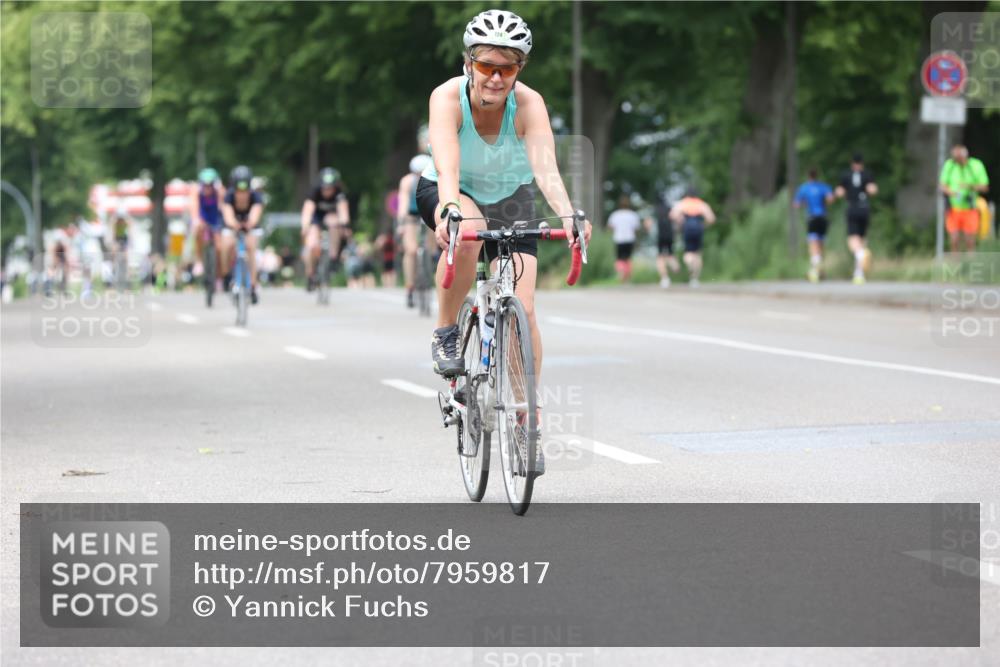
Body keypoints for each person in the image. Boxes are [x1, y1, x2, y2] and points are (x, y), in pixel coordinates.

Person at [416, 9, 592, 472]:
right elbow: (448, 164)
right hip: (453, 189)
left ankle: (525, 417)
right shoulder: (446, 97)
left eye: (507, 68)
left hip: (511, 197)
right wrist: (449, 209)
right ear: (468, 63)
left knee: (525, 308)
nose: (495, 78)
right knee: (468, 233)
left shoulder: (529, 104)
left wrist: (569, 214)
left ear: (519, 69)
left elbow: (546, 169)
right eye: (486, 66)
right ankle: (446, 330)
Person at [301, 167, 351, 291]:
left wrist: (345, 226)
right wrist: (305, 227)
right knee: (312, 244)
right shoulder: (314, 192)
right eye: (325, 188)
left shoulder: (340, 194)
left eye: (330, 188)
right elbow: (307, 211)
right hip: (316, 218)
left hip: (331, 217)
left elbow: (343, 213)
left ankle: (333, 257)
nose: (327, 190)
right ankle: (310, 274)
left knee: (335, 224)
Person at [222, 165, 265, 304]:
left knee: (251, 247)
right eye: (238, 190)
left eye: (245, 189)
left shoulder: (256, 197)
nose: (242, 193)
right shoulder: (228, 196)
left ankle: (253, 284)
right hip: (233, 225)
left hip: (249, 225)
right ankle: (227, 275)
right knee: (227, 245)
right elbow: (228, 215)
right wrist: (234, 225)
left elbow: (255, 214)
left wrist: (249, 224)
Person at [834, 153, 877, 285]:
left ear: (852, 163)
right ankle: (859, 273)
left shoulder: (846, 175)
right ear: (862, 163)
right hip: (864, 208)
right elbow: (873, 190)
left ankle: (861, 255)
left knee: (853, 240)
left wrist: (846, 192)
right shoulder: (867, 175)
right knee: (862, 240)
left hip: (852, 208)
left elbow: (839, 192)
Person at [398, 154, 434, 306]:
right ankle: (410, 285)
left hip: (428, 211)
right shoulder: (407, 182)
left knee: (431, 248)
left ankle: (429, 269)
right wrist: (401, 223)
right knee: (411, 250)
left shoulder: (433, 178)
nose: (420, 176)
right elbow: (403, 203)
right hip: (411, 215)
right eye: (417, 174)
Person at [940, 144, 989, 253]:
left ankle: (970, 261)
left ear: (965, 157)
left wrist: (969, 186)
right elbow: (942, 186)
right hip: (953, 209)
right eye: (955, 159)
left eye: (959, 159)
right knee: (954, 240)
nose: (957, 162)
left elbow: (985, 187)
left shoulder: (976, 165)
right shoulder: (950, 165)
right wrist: (952, 193)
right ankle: (955, 262)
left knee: (969, 240)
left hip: (970, 208)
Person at [794, 168, 835, 283]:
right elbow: (831, 199)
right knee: (820, 245)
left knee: (813, 245)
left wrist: (806, 203)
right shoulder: (823, 187)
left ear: (808, 176)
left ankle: (814, 271)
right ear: (817, 176)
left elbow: (796, 204)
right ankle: (820, 270)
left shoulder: (804, 188)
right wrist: (823, 203)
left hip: (812, 218)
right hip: (823, 217)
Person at [669, 187, 715, 287]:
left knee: (688, 252)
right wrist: (704, 225)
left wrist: (680, 223)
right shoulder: (701, 204)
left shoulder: (683, 203)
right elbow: (711, 218)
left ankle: (690, 263)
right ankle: (695, 279)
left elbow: (672, 215)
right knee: (697, 253)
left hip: (687, 230)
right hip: (698, 229)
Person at [189, 167, 226, 287]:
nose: (207, 187)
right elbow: (194, 207)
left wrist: (221, 197)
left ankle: (219, 277)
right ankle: (199, 261)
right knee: (197, 231)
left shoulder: (219, 191)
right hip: (203, 217)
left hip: (216, 218)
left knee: (219, 248)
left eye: (210, 185)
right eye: (205, 185)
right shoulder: (196, 191)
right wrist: (196, 220)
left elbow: (224, 207)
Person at [644, 193, 679, 288]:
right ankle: (675, 266)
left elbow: (648, 223)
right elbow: (676, 219)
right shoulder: (669, 208)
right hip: (670, 234)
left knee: (660, 257)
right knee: (670, 253)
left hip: (659, 236)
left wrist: (648, 231)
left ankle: (664, 278)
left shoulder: (654, 210)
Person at [607, 195, 642, 282]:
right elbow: (636, 228)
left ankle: (621, 273)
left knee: (619, 258)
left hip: (619, 239)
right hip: (630, 239)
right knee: (628, 258)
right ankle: (627, 276)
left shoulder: (615, 215)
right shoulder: (633, 215)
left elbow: (610, 227)